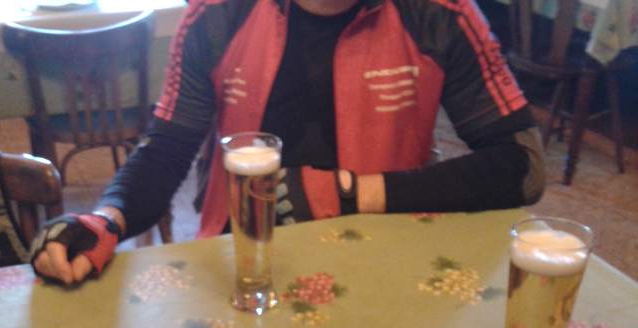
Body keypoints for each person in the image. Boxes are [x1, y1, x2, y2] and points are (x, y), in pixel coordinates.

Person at [30, 0, 545, 285]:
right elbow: (166, 149)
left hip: (385, 264)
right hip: (240, 265)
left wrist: (348, 193)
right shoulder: (215, 15)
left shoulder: (442, 15)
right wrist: (108, 218)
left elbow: (523, 165)